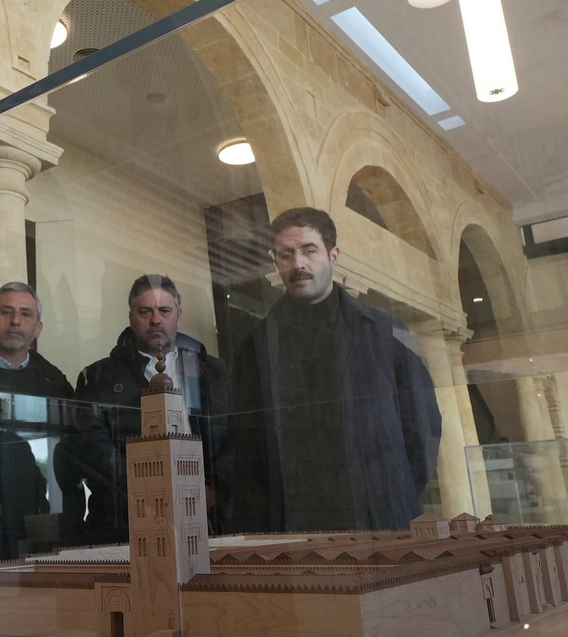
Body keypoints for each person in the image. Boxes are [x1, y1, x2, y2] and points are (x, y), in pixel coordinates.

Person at [223, 207, 440, 534]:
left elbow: (423, 427)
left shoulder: (385, 331)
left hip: (378, 520)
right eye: (286, 254)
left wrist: (390, 494)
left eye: (309, 250)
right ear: (275, 262)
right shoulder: (253, 348)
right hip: (294, 527)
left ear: (333, 254)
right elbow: (248, 452)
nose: (298, 264)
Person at [57, 274, 226, 543]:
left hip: (208, 518)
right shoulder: (98, 377)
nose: (156, 320)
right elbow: (94, 449)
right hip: (124, 523)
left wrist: (209, 490)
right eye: (145, 311)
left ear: (178, 316)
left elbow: (234, 440)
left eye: (164, 311)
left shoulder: (214, 373)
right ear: (131, 316)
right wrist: (148, 495)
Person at [0, 281, 74, 401]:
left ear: (38, 329)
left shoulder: (55, 381)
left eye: (25, 314)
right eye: (6, 312)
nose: (15, 320)